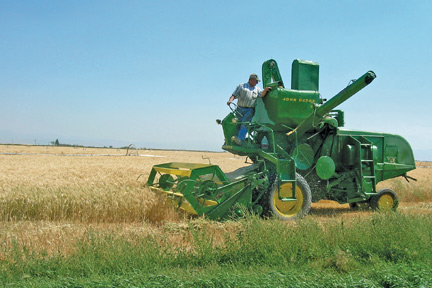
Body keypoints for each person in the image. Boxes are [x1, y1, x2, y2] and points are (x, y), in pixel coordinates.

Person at [227, 73, 272, 145]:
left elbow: (261, 95)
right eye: (256, 81)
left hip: (250, 110)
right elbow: (234, 95)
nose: (257, 83)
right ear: (251, 80)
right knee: (237, 123)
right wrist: (230, 101)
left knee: (245, 123)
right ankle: (234, 139)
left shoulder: (257, 89)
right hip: (239, 108)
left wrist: (266, 90)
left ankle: (240, 139)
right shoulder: (241, 86)